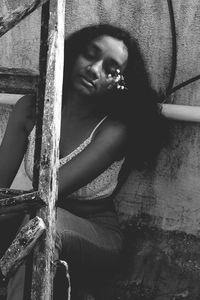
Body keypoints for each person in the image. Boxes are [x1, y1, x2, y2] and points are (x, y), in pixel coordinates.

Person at [0, 24, 164, 299]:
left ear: (120, 83)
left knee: (41, 224)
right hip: (32, 215)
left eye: (111, 69)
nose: (94, 69)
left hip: (95, 233)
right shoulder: (29, 108)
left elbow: (49, 193)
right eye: (90, 55)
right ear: (73, 54)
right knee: (33, 220)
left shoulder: (113, 130)